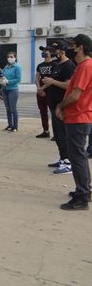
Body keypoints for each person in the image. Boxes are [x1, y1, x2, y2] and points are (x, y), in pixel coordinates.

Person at [56, 34, 92, 210]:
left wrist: (60, 106)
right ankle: (85, 190)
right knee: (79, 157)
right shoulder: (81, 66)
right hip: (77, 116)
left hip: (79, 117)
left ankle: (82, 196)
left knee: (77, 157)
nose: (70, 48)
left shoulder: (86, 66)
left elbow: (76, 95)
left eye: (73, 45)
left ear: (81, 47)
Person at [42, 41, 76, 174]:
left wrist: (52, 81)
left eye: (54, 51)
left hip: (61, 107)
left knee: (63, 134)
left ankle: (67, 163)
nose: (51, 53)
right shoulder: (57, 65)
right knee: (58, 134)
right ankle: (63, 158)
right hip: (53, 105)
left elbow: (68, 85)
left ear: (62, 51)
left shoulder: (68, 66)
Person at [1, 51, 21, 132]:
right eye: (8, 57)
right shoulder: (6, 67)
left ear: (15, 58)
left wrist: (8, 81)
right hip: (5, 89)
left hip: (13, 89)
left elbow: (18, 79)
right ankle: (10, 125)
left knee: (13, 108)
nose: (9, 58)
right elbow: (2, 75)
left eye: (11, 57)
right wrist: (1, 80)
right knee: (7, 108)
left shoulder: (17, 67)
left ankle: (15, 126)